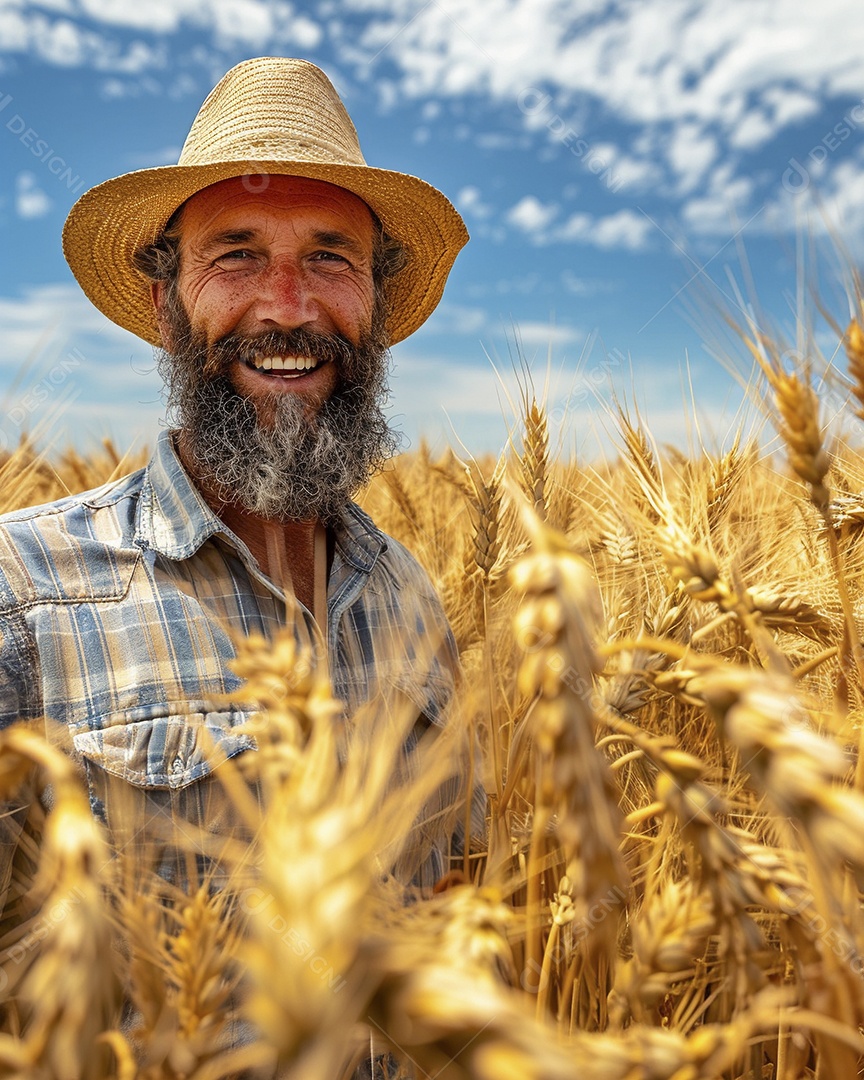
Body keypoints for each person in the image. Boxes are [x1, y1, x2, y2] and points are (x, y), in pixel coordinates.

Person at [0, 57, 481, 906]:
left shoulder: (411, 598)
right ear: (166, 304)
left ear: (375, 301)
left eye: (330, 257)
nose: (287, 306)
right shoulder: (22, 598)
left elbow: (466, 906)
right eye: (236, 254)